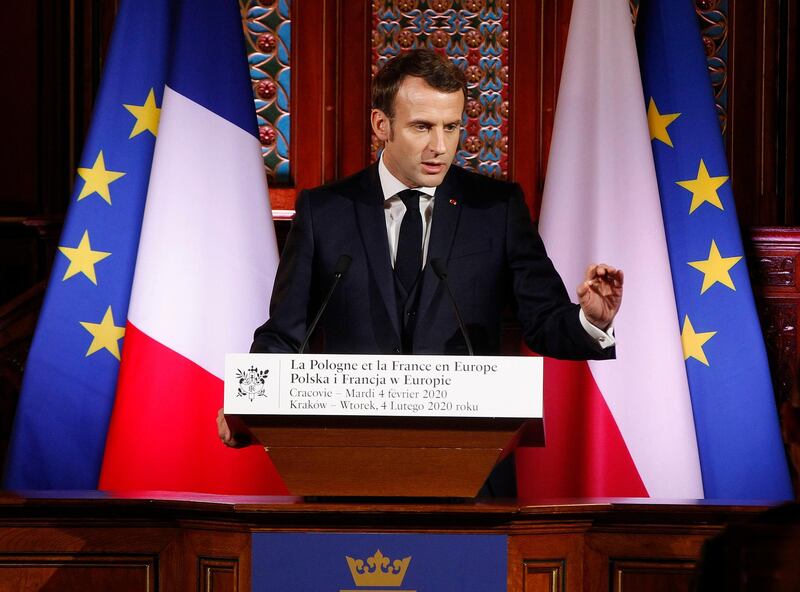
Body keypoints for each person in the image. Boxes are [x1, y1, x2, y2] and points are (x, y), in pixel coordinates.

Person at [218, 49, 623, 493]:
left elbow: (543, 321)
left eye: (451, 126)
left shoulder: (495, 209)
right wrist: (245, 403)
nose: (441, 146)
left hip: (470, 473)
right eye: (422, 127)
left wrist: (593, 321)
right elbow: (285, 332)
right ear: (381, 126)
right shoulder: (326, 211)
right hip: (349, 470)